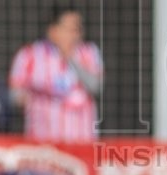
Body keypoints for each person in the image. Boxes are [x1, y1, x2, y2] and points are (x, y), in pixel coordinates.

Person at [9, 4, 103, 142]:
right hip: (43, 140)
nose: (76, 34)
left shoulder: (89, 52)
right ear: (53, 31)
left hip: (82, 139)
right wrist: (31, 96)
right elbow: (15, 94)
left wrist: (70, 58)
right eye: (71, 29)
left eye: (78, 29)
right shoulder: (29, 55)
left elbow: (96, 87)